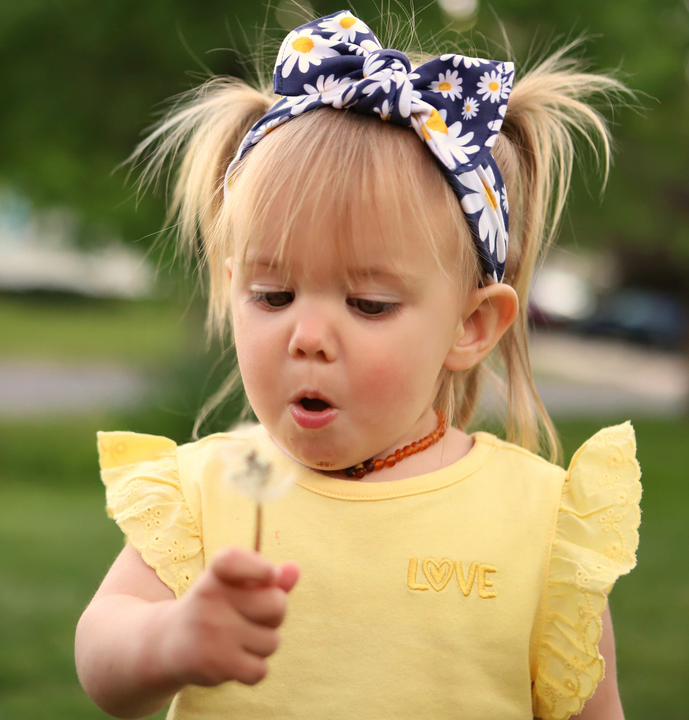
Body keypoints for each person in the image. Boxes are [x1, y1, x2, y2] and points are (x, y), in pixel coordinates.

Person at [75, 10, 642, 720]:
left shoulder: (540, 524)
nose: (307, 335)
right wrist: (168, 638)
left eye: (369, 303)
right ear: (230, 290)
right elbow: (102, 653)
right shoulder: (209, 492)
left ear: (470, 326)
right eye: (273, 295)